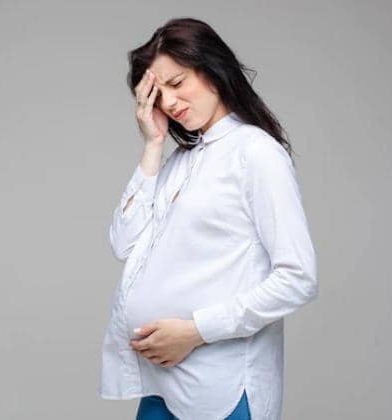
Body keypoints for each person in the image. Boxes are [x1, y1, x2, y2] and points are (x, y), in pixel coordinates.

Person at [99, 17, 318, 420]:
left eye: (177, 83)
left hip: (222, 388)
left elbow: (298, 278)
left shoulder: (255, 153)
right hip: (162, 384)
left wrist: (196, 331)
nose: (169, 103)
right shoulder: (179, 163)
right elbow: (123, 245)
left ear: (213, 68)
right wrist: (153, 146)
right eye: (157, 95)